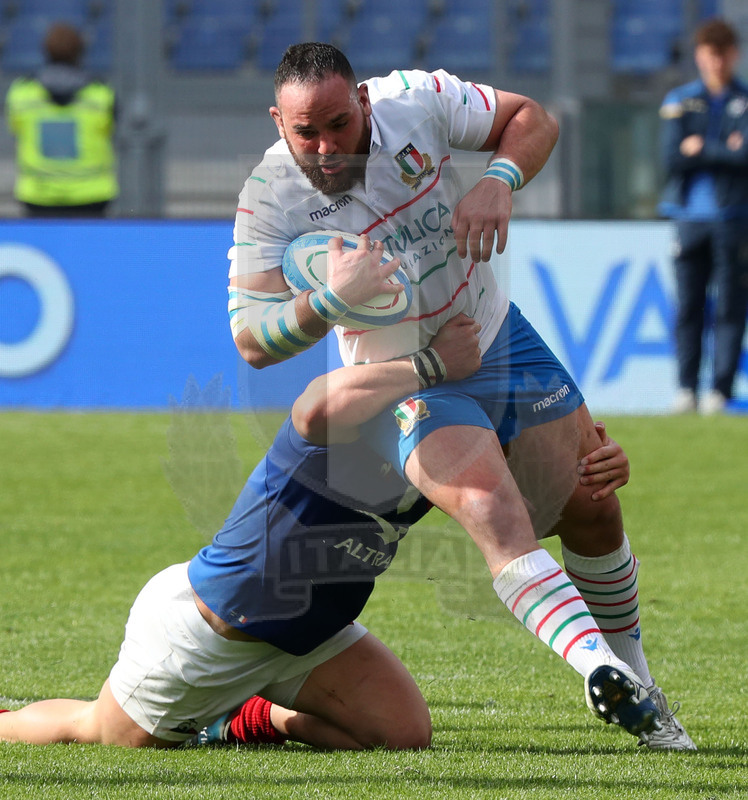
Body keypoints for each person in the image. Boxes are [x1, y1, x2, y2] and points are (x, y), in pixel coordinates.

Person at [226, 42, 696, 749]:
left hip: (494, 336)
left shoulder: (416, 99)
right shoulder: (268, 198)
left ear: (362, 102)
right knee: (489, 506)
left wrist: (500, 178)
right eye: (305, 132)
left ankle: (641, 693)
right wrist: (328, 300)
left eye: (337, 124)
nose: (324, 148)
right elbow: (253, 341)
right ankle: (599, 668)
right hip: (406, 377)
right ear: (278, 122)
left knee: (593, 505)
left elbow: (532, 117)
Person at [0, 320, 628, 750]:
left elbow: (526, 513)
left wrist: (595, 470)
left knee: (403, 734)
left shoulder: (450, 436)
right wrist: (430, 364)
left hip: (312, 634)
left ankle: (246, 715)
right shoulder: (354, 416)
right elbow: (313, 404)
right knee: (101, 732)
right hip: (213, 631)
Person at [659, 18, 748, 415]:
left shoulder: (744, 100)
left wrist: (701, 148)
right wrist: (723, 149)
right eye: (710, 55)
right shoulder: (680, 100)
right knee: (689, 307)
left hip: (733, 218)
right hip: (689, 219)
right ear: (699, 56)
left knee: (730, 306)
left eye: (723, 55)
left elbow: (744, 157)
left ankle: (720, 391)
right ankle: (686, 389)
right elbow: (671, 158)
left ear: (734, 55)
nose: (716, 63)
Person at [4, 22, 118, 217]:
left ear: (45, 51)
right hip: (91, 195)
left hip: (38, 195)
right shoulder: (101, 94)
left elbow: (16, 129)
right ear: (80, 52)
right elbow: (110, 130)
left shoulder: (21, 94)